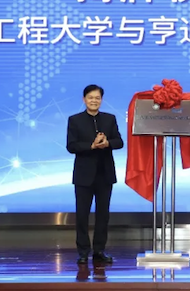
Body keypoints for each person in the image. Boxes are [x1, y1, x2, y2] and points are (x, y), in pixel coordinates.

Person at [66, 84, 124, 264]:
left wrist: (107, 143)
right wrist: (91, 146)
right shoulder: (75, 120)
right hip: (83, 175)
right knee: (82, 215)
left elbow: (119, 142)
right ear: (84, 100)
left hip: (105, 174)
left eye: (97, 98)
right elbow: (71, 146)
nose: (94, 101)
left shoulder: (110, 119)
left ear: (101, 100)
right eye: (90, 97)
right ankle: (83, 252)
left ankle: (99, 251)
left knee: (103, 215)